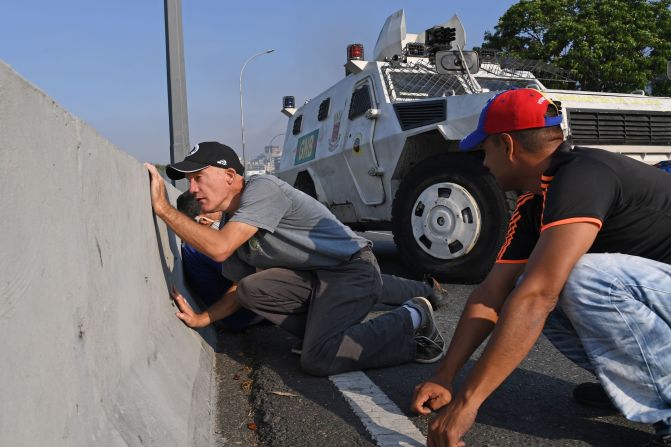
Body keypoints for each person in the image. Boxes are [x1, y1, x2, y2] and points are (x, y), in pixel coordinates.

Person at [410, 88, 671, 447]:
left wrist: (468, 404)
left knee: (578, 280)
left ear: (506, 145)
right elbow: (491, 295)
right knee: (529, 287)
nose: (483, 163)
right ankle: (633, 384)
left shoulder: (583, 175)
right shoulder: (535, 201)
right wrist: (446, 375)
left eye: (484, 151)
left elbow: (539, 296)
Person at [145, 141, 447, 376]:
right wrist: (202, 318)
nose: (192, 189)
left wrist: (163, 209)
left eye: (198, 178)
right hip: (318, 279)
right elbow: (239, 289)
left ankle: (413, 319)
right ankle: (323, 335)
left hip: (351, 270)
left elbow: (220, 248)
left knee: (318, 359)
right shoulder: (229, 221)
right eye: (188, 182)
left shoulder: (262, 189)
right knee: (251, 287)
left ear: (229, 176)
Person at [176, 191, 263, 332]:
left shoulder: (192, 246)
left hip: (236, 314)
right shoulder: (204, 248)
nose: (223, 212)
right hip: (245, 314)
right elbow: (244, 280)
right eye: (216, 209)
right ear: (203, 221)